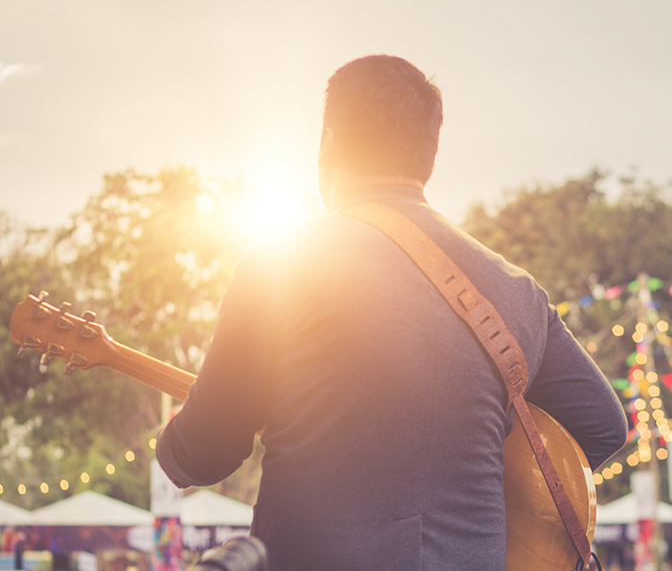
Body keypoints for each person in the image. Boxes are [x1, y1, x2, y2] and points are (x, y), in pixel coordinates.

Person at [157, 55, 628, 571]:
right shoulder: (517, 291)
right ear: (427, 155)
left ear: (329, 143)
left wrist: (173, 441)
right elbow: (604, 426)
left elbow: (205, 453)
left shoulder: (282, 262)